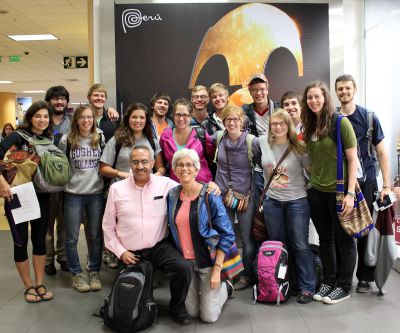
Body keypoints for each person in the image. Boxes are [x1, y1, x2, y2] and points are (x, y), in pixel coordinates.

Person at [102, 145, 193, 326]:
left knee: (182, 268)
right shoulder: (117, 189)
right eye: (135, 162)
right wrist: (120, 252)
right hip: (130, 252)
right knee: (132, 291)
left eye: (144, 161)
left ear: (152, 163)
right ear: (130, 164)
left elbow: (190, 186)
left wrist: (210, 185)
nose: (140, 166)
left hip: (158, 246)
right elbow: (108, 227)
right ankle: (140, 307)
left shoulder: (165, 184)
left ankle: (177, 307)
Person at [302, 80, 358, 304]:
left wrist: (350, 193)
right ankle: (329, 280)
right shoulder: (309, 125)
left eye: (317, 96)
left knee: (344, 240)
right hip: (317, 192)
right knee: (325, 239)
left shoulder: (340, 122)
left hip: (339, 192)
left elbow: (353, 159)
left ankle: (344, 286)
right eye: (309, 97)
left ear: (325, 98)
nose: (313, 101)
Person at [335, 74, 392, 293]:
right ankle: (343, 274)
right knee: (341, 229)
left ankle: (365, 277)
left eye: (347, 88)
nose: (344, 92)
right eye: (340, 89)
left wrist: (386, 185)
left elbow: (382, 153)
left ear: (354, 89)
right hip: (340, 183)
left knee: (365, 230)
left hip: (366, 182)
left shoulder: (369, 118)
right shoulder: (333, 118)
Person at [167, 149, 235, 323]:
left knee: (208, 317)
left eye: (189, 164)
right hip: (186, 263)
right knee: (191, 312)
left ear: (197, 169)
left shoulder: (210, 195)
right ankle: (204, 291)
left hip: (208, 261)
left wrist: (217, 270)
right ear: (174, 170)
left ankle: (225, 288)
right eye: (180, 165)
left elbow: (227, 234)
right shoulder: (172, 195)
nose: (184, 168)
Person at [259, 108, 315, 304]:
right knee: (278, 245)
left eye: (281, 123)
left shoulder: (300, 146)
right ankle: (282, 283)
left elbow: (311, 171)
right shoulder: (261, 142)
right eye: (274, 124)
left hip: (297, 201)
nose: (277, 127)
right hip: (272, 201)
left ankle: (307, 286)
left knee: (300, 245)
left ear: (288, 125)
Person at [0, 101, 54, 303]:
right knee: (20, 241)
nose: (42, 120)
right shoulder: (16, 136)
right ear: (30, 117)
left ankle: (39, 282)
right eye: (38, 116)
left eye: (46, 117)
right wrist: (2, 181)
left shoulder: (48, 139)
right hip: (17, 194)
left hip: (41, 195)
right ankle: (28, 285)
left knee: (40, 240)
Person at [212, 106, 260, 291]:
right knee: (225, 236)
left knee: (247, 239)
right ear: (223, 122)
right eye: (228, 119)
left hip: (245, 197)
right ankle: (227, 274)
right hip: (222, 196)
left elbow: (259, 163)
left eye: (235, 119)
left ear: (242, 121)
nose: (232, 123)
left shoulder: (251, 141)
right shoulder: (218, 139)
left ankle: (247, 276)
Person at [58, 105, 105, 292]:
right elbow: (60, 166)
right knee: (71, 237)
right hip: (73, 194)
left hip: (95, 193)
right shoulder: (66, 139)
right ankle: (77, 274)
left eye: (90, 117)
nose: (87, 121)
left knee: (95, 235)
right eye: (82, 117)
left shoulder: (99, 137)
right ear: (76, 120)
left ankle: (94, 271)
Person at [43, 85, 71, 275]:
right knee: (46, 222)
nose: (59, 102)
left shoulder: (73, 122)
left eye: (62, 98)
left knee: (64, 222)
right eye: (55, 98)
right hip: (45, 182)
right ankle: (47, 260)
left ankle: (62, 256)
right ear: (49, 101)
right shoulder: (42, 121)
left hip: (67, 181)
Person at [242, 73, 279, 206]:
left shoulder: (279, 109)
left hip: (278, 162)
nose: (259, 93)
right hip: (257, 165)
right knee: (260, 202)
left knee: (279, 197)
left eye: (262, 89)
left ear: (267, 89)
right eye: (255, 90)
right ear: (250, 91)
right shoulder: (245, 111)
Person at [160, 98, 214, 183]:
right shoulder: (165, 136)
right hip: (176, 186)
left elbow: (211, 157)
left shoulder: (201, 135)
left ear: (190, 116)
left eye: (185, 115)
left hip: (201, 185)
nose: (181, 119)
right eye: (178, 115)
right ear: (173, 115)